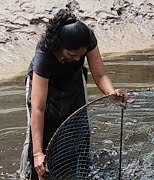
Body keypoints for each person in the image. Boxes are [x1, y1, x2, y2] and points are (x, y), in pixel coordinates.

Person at [18, 9, 125, 180]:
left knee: (78, 126)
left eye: (80, 56)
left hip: (74, 82)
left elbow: (100, 75)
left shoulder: (87, 39)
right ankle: (33, 170)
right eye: (71, 55)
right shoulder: (44, 53)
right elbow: (38, 108)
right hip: (44, 85)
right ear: (59, 47)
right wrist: (38, 152)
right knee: (41, 135)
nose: (77, 59)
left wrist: (110, 93)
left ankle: (75, 170)